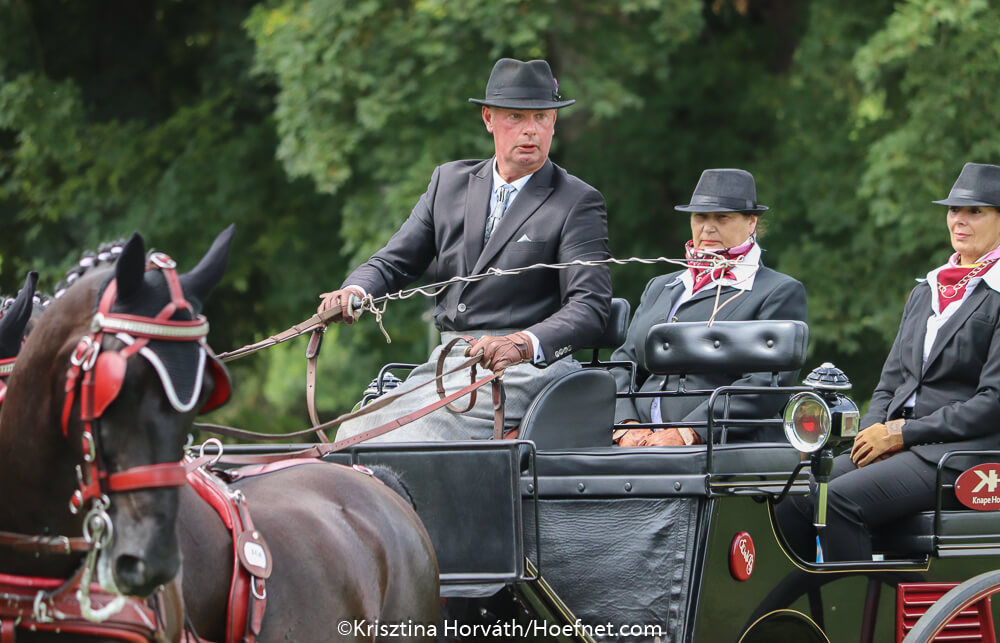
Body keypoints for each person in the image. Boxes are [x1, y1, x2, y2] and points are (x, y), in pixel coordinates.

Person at [319, 58, 612, 442]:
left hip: (527, 370)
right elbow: (394, 262)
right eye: (516, 117)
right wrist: (355, 290)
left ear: (553, 122)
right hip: (447, 365)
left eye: (541, 117)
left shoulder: (576, 201)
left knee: (413, 439)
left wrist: (522, 344)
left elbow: (589, 307)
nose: (530, 130)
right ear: (489, 118)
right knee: (352, 432)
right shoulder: (449, 183)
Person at [775, 162, 1000, 562]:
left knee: (838, 500)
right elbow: (890, 383)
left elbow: (992, 403)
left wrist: (902, 434)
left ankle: (855, 602)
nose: (959, 220)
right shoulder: (927, 290)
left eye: (975, 211)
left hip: (961, 455)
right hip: (902, 443)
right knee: (791, 495)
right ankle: (810, 599)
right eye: (954, 210)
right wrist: (871, 435)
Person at [611, 168, 807, 447]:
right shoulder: (661, 287)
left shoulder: (777, 291)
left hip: (721, 446)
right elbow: (624, 364)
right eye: (700, 216)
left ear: (751, 222)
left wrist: (689, 432)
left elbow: (766, 384)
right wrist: (626, 425)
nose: (708, 227)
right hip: (638, 443)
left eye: (722, 217)